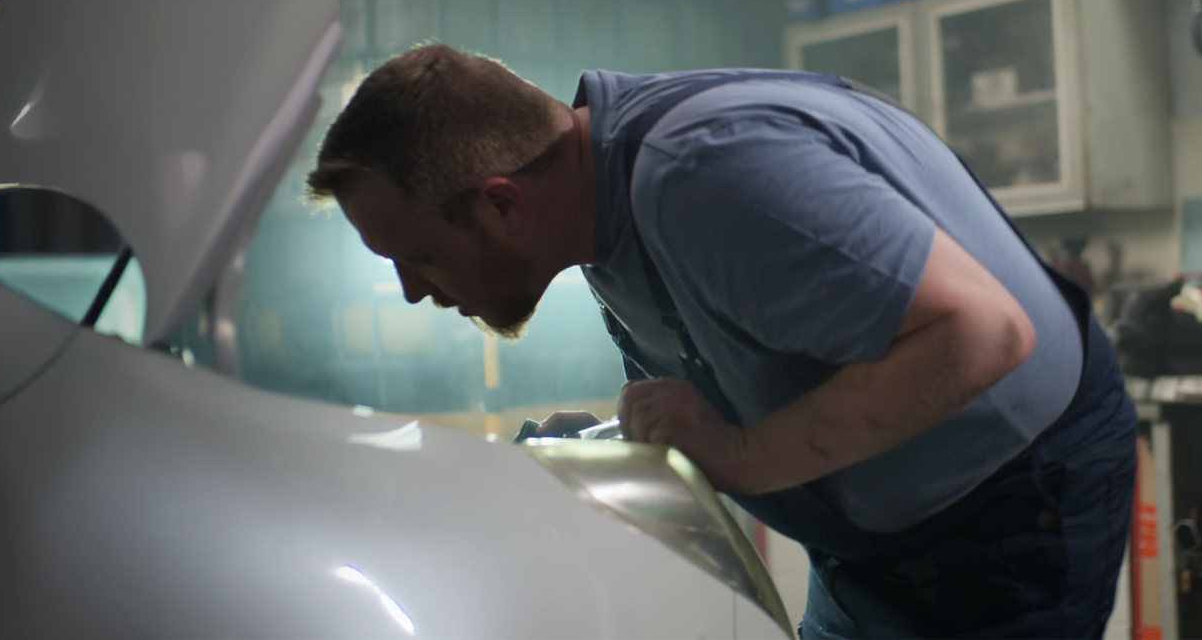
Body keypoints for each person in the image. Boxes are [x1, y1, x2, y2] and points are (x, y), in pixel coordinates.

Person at [305, 44, 1136, 640]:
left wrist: (740, 453)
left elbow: (982, 333)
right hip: (871, 531)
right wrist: (604, 453)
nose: (413, 290)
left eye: (419, 256)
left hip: (1005, 501)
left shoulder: (707, 177)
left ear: (501, 204)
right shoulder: (601, 207)